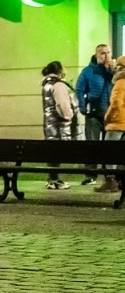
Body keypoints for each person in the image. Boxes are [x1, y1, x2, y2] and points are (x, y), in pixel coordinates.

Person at [75, 43, 113, 185]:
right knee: (92, 145)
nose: (106, 56)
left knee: (110, 147)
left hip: (111, 115)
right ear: (96, 55)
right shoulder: (87, 72)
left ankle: (110, 175)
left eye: (108, 52)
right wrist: (83, 107)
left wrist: (112, 70)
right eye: (103, 53)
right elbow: (79, 90)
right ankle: (91, 174)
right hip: (94, 114)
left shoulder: (114, 71)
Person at [41, 61, 78, 189]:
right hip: (60, 126)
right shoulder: (58, 85)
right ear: (60, 70)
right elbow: (62, 105)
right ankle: (54, 180)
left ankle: (53, 179)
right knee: (56, 152)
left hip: (50, 125)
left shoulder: (47, 85)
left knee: (52, 152)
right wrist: (70, 116)